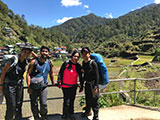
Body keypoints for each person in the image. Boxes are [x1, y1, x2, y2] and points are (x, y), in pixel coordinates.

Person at [0, 45, 33, 120]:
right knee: (12, 105)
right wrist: (1, 86)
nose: (26, 54)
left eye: (28, 53)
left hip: (19, 85)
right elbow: (3, 72)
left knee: (19, 104)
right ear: (21, 51)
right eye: (24, 52)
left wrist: (31, 51)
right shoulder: (13, 60)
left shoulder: (26, 60)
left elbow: (37, 58)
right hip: (9, 85)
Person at [27, 46, 55, 120]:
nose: (44, 53)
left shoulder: (50, 62)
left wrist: (53, 82)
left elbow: (51, 73)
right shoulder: (34, 62)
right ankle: (36, 117)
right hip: (33, 86)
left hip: (43, 86)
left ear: (48, 53)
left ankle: (44, 116)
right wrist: (29, 86)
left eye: (46, 51)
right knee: (34, 103)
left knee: (44, 103)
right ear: (40, 52)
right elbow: (28, 74)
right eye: (43, 51)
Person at [57, 50, 83, 120]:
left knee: (72, 101)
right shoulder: (66, 63)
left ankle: (71, 114)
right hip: (65, 86)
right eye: (75, 56)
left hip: (73, 86)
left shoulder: (78, 66)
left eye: (78, 57)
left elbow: (81, 76)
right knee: (66, 101)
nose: (76, 58)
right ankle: (65, 115)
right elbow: (60, 73)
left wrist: (81, 86)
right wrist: (59, 81)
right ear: (72, 56)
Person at [81, 47, 99, 120]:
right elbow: (84, 74)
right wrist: (82, 84)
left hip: (93, 83)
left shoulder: (93, 63)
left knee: (94, 100)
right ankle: (88, 112)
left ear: (89, 54)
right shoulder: (83, 63)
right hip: (87, 84)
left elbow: (97, 76)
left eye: (86, 53)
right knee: (87, 99)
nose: (84, 55)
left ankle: (96, 116)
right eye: (83, 54)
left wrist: (95, 87)